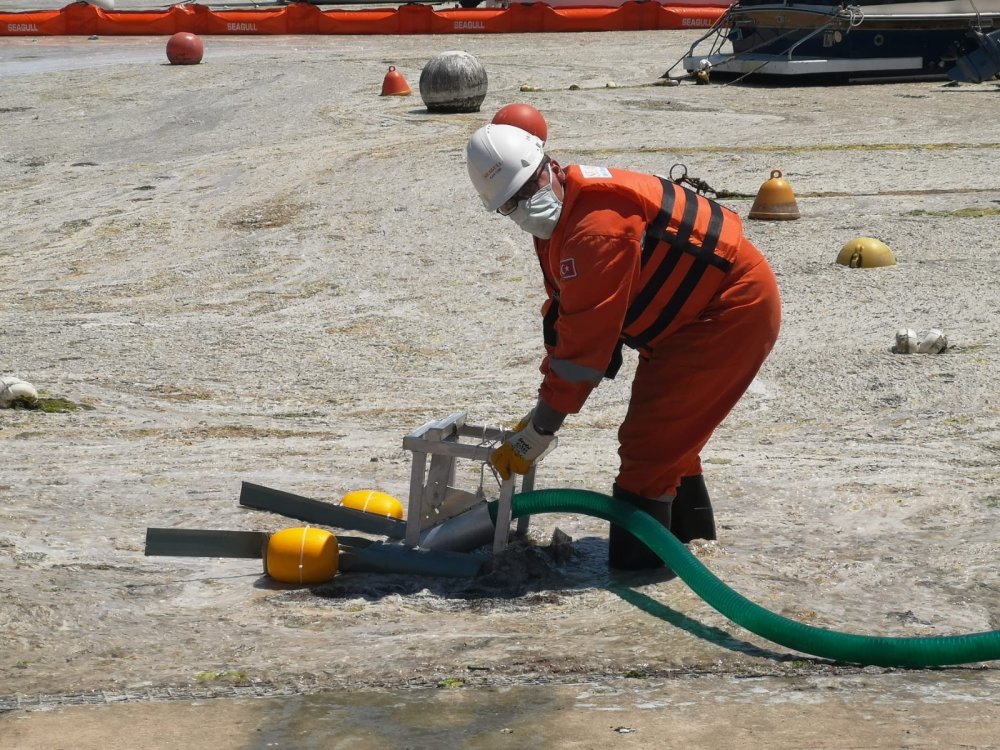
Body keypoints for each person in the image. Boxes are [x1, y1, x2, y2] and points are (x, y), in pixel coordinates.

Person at [465, 123, 781, 570]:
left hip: (725, 312)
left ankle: (638, 574)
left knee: (649, 452)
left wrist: (542, 427)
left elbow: (584, 355)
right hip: (682, 319)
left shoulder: (596, 230)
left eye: (529, 186)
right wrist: (541, 405)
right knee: (672, 442)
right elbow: (566, 319)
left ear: (549, 164)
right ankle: (691, 553)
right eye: (510, 203)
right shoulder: (559, 218)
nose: (524, 205)